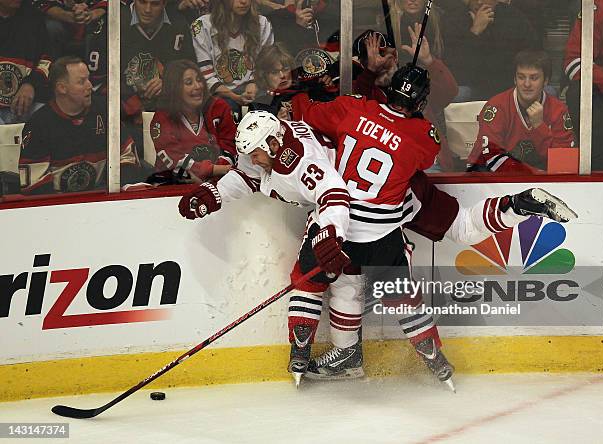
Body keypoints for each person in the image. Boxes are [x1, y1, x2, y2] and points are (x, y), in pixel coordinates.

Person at [289, 64, 576, 388]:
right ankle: (516, 206)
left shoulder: (352, 107)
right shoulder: (420, 136)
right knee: (460, 230)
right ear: (421, 102)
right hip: (394, 211)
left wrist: (309, 88)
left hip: (342, 219)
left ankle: (324, 350)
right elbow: (425, 150)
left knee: (334, 284)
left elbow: (306, 113)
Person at [176, 110, 352, 386]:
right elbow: (248, 174)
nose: (251, 160)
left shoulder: (302, 163)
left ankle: (348, 353)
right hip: (327, 206)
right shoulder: (272, 147)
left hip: (348, 205)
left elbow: (334, 193)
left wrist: (332, 233)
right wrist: (216, 193)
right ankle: (303, 349)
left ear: (272, 144)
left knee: (342, 280)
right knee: (307, 275)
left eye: (255, 154)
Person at [19, 57, 138, 194]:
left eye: (88, 79)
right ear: (62, 88)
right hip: (59, 207)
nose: (90, 86)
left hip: (103, 199)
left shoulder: (106, 111)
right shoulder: (39, 124)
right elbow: (35, 186)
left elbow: (126, 155)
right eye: (81, 81)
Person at [352, 29, 459, 171]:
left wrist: (429, 61)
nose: (379, 62)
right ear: (362, 64)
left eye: (383, 55)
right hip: (390, 168)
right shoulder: (359, 89)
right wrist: (370, 73)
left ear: (395, 56)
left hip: (431, 163)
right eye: (370, 58)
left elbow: (448, 92)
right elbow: (358, 112)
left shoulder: (414, 80)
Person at [467, 49, 575, 173]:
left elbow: (565, 165)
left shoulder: (558, 111)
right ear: (515, 79)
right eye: (521, 77)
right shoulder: (496, 107)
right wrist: (532, 175)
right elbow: (490, 157)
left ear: (546, 81)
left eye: (534, 78)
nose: (527, 84)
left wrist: (539, 127)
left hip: (537, 180)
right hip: (487, 177)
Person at [151, 59, 237, 182]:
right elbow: (175, 161)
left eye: (199, 80)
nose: (198, 86)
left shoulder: (218, 108)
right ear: (174, 88)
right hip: (173, 186)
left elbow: (231, 147)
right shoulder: (162, 118)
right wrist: (216, 170)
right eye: (188, 82)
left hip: (220, 181)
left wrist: (218, 172)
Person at [440, 0, 538, 101]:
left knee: (547, 91)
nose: (479, 2)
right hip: (471, 87)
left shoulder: (513, 17)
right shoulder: (452, 19)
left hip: (507, 85)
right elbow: (454, 67)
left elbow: (533, 54)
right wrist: (475, 31)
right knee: (458, 94)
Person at [121, 0, 196, 123]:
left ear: (165, 3)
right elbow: (102, 80)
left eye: (155, 4)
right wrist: (132, 105)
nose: (147, 10)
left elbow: (191, 69)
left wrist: (169, 82)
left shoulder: (179, 23)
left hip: (168, 106)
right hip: (126, 110)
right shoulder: (117, 20)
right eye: (142, 2)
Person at [191, 0, 274, 112]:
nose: (243, 1)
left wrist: (253, 84)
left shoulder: (262, 23)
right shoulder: (201, 26)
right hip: (217, 95)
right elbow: (205, 75)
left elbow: (266, 65)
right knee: (225, 107)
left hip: (256, 90)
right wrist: (233, 96)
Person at [563, 0, 603, 171]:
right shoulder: (600, 8)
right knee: (578, 93)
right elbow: (574, 63)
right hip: (602, 86)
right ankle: (598, 167)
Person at [0, 0, 52, 124]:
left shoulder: (34, 18)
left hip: (30, 103)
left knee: (49, 121)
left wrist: (31, 84)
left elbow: (46, 58)